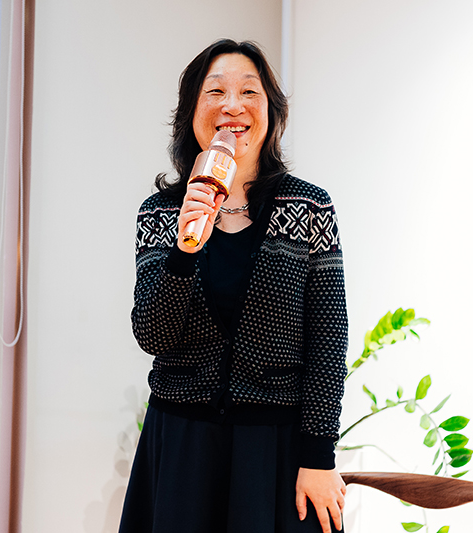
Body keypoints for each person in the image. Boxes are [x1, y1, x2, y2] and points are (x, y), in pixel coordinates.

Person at [120, 39, 348, 533]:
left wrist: (319, 455)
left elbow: (329, 340)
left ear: (271, 113)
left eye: (249, 92)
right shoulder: (160, 213)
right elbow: (153, 335)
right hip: (181, 447)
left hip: (276, 450)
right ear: (191, 111)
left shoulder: (309, 207)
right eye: (215, 92)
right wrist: (184, 249)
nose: (232, 106)